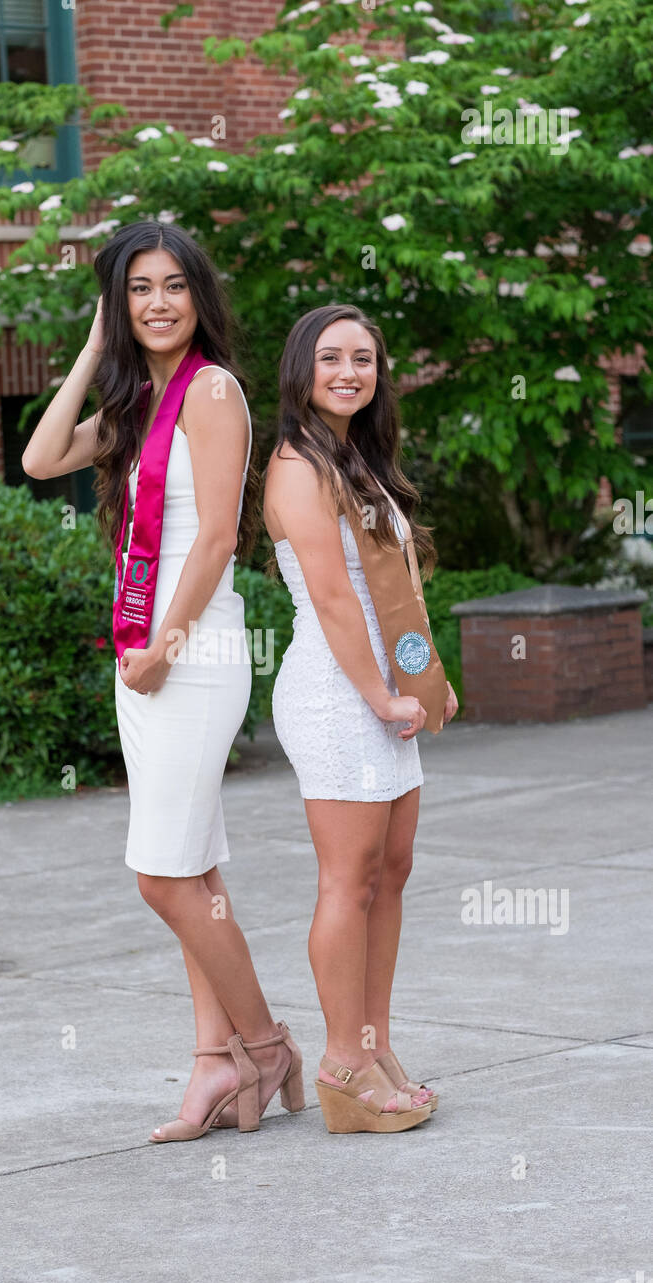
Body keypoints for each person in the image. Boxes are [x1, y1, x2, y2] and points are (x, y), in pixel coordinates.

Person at [23, 221, 303, 1143]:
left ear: (200, 297)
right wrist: (95, 345)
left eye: (173, 286)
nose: (157, 303)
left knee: (162, 875)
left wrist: (167, 646)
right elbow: (40, 456)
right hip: (141, 654)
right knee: (196, 864)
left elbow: (219, 537)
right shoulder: (140, 402)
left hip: (195, 650)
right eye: (137, 288)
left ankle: (264, 1044)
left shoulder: (212, 392)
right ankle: (211, 1065)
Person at [263, 305, 458, 1134]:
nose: (349, 371)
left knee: (394, 870)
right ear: (302, 367)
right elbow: (338, 599)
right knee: (349, 878)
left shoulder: (358, 461)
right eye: (332, 357)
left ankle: (373, 1045)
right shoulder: (296, 466)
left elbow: (396, 595)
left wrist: (427, 676)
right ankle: (344, 1060)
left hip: (386, 688)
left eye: (365, 359)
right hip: (335, 694)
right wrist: (379, 697)